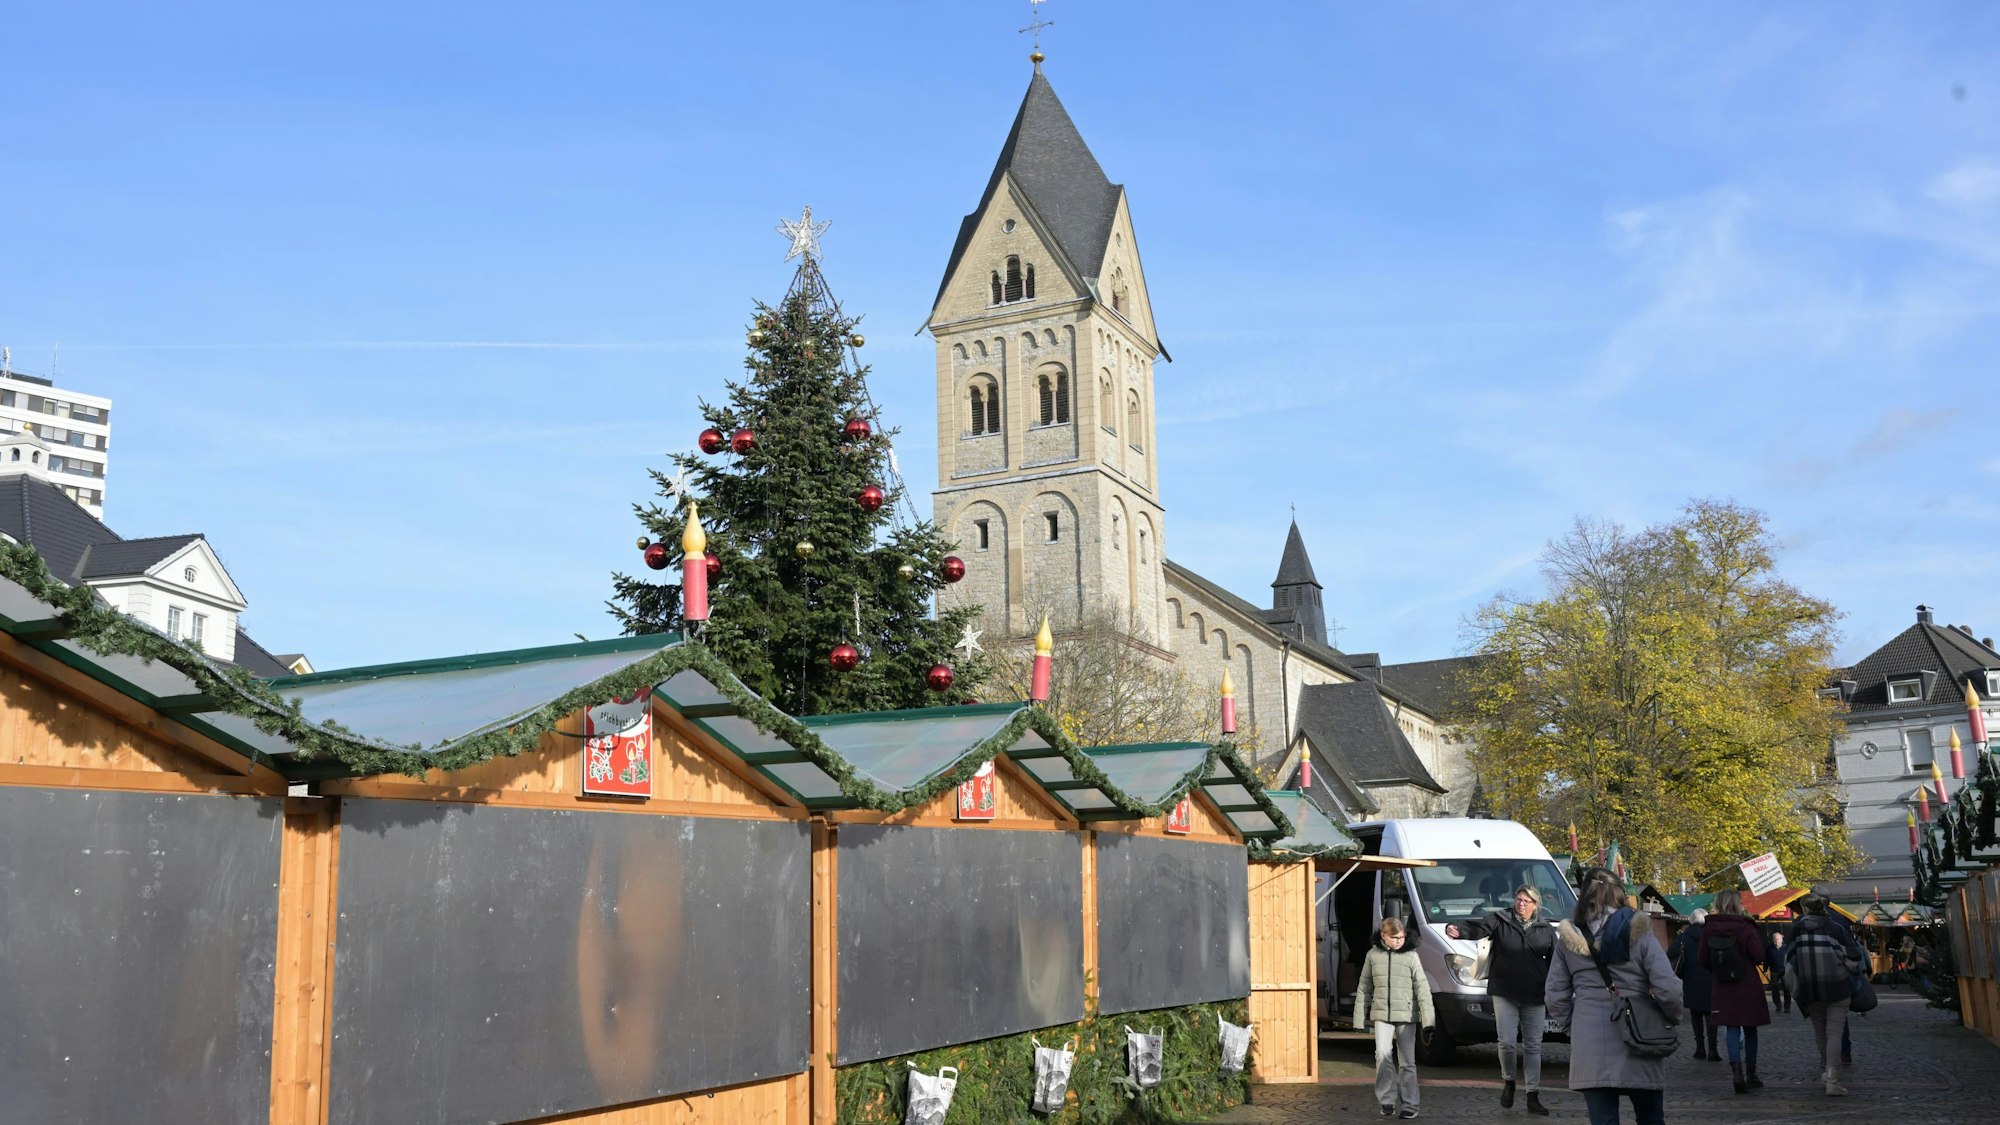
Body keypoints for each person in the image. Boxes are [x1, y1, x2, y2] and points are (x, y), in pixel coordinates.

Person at [1546, 868, 1685, 1125]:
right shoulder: (1640, 930)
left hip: (1590, 1035)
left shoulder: (1569, 937)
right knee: (1651, 1117)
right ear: (1619, 893)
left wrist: (1571, 1026)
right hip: (1641, 1032)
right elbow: (1668, 987)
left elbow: (1555, 993)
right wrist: (1671, 1017)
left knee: (1603, 1120)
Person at [1447, 884, 1557, 1115]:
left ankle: (1533, 1095)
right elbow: (1478, 928)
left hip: (1535, 995)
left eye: (1527, 901)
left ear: (1536, 905)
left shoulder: (1545, 929)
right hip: (1505, 991)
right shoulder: (1500, 920)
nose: (1521, 904)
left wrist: (1555, 989)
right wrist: (1457, 929)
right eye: (1519, 899)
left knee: (1533, 1047)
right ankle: (1509, 1081)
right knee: (1506, 1043)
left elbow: (1556, 964)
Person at [1784, 894, 1865, 1096]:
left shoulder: (1796, 930)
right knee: (1835, 1034)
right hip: (1838, 986)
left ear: (1805, 910)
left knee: (1821, 1034)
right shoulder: (1835, 928)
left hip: (1810, 988)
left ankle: (1827, 1072)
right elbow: (1855, 956)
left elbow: (1790, 960)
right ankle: (1832, 1079)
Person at [1355, 916, 1434, 1120]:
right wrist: (1358, 1019)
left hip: (1407, 1015)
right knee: (1382, 1055)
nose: (1399, 941)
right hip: (1382, 1013)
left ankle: (1410, 1103)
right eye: (1395, 937)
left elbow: (1423, 987)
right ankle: (1387, 1100)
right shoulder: (1372, 955)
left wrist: (1428, 1020)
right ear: (1384, 936)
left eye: (1401, 937)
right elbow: (1364, 986)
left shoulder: (1411, 956)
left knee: (1407, 1062)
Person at [1698, 891, 1770, 1094]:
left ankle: (1736, 1072)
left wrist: (1718, 970)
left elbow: (1702, 957)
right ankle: (1752, 1074)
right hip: (1747, 982)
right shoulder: (1745, 926)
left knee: (1731, 1027)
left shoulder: (1709, 927)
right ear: (1737, 904)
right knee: (1750, 1028)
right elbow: (1758, 955)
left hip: (1722, 983)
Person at [1665, 910, 1718, 1062]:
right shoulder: (1712, 935)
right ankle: (1713, 1050)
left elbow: (1670, 953)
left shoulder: (1684, 936)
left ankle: (1700, 1048)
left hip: (1691, 980)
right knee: (1711, 1016)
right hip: (1710, 980)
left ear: (1691, 920)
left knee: (1696, 1016)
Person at [1766, 931, 1791, 1013]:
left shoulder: (1786, 948)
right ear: (1773, 940)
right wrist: (1765, 970)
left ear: (1782, 940)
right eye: (1775, 939)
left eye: (1778, 939)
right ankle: (1778, 1006)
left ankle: (1787, 1007)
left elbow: (1790, 959)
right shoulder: (1769, 949)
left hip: (1784, 971)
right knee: (1775, 989)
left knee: (1786, 989)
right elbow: (1766, 960)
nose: (1777, 940)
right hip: (1774, 971)